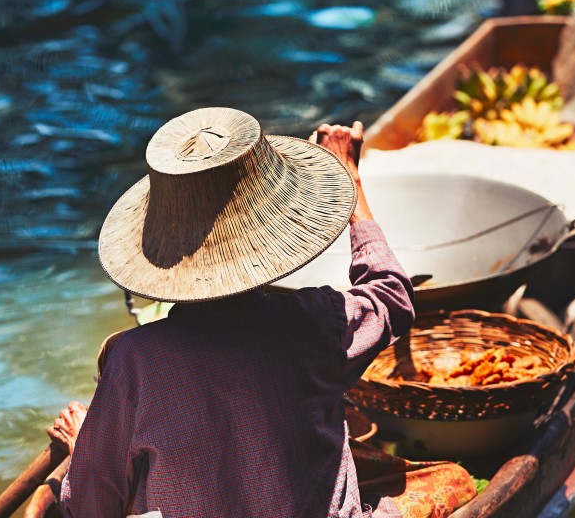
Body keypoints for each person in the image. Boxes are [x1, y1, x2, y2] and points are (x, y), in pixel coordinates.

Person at [48, 108, 475, 517]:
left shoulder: (134, 360)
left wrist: (84, 444)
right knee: (455, 479)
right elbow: (392, 296)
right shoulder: (314, 321)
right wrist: (351, 179)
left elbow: (89, 506)